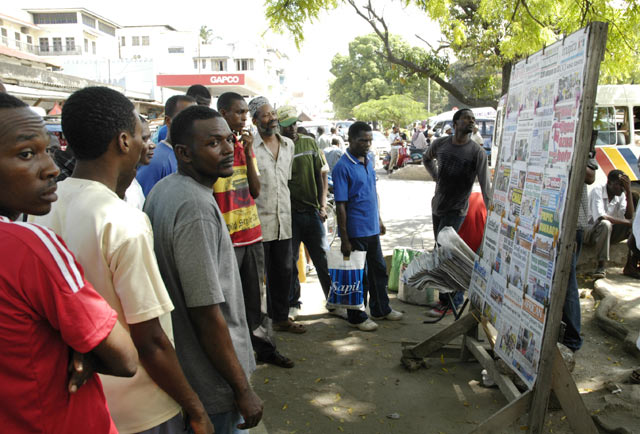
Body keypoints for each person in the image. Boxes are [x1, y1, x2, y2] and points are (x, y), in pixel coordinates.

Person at [33, 87, 213, 434]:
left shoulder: (42, 210)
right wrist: (195, 407)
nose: (146, 145)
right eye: (138, 134)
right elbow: (151, 340)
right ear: (122, 141)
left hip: (79, 403)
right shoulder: (122, 221)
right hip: (142, 409)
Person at [0, 91, 138, 434]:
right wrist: (84, 350)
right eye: (27, 154)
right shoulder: (28, 247)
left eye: (47, 150)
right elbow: (125, 357)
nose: (50, 168)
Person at [144, 105, 264, 433]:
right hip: (212, 382)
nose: (227, 149)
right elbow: (206, 313)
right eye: (213, 143)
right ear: (183, 152)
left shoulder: (169, 189)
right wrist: (242, 389)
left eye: (229, 140)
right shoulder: (194, 207)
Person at [214, 92, 294, 369]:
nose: (244, 118)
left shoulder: (244, 145)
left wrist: (247, 152)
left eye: (246, 113)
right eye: (239, 113)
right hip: (225, 238)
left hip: (251, 233)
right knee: (228, 303)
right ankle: (232, 356)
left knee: (256, 300)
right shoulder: (213, 147)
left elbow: (256, 189)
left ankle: (265, 348)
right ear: (223, 113)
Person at [332, 121, 404, 331]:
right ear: (351, 139)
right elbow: (341, 205)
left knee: (378, 270)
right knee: (357, 276)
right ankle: (357, 316)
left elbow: (371, 193)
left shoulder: (369, 160)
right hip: (355, 230)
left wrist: (379, 219)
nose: (367, 144)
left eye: (369, 140)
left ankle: (382, 309)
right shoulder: (342, 167)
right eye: (362, 140)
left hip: (371, 227)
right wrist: (345, 238)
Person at [422, 108, 491, 317]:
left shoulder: (477, 152)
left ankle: (450, 301)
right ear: (455, 123)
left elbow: (486, 186)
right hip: (438, 206)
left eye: (473, 119)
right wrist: (436, 176)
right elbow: (426, 158)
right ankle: (449, 299)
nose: (471, 122)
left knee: (445, 253)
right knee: (441, 252)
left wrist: (493, 214)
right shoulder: (441, 144)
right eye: (466, 119)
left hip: (457, 209)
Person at [249, 96, 306, 334]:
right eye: (265, 115)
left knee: (283, 272)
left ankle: (281, 318)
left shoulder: (288, 145)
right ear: (254, 120)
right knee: (257, 278)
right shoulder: (249, 147)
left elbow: (285, 182)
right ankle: (257, 323)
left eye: (272, 114)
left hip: (284, 220)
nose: (272, 119)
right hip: (259, 222)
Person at [276, 105, 335, 321]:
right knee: (290, 262)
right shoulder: (277, 147)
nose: (292, 128)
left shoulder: (309, 143)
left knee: (323, 259)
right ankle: (294, 304)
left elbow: (322, 176)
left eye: (294, 123)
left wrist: (322, 206)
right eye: (286, 125)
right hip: (288, 215)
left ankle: (333, 299)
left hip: (312, 214)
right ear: (278, 127)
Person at [562, 158, 597, 352]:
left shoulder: (579, 139)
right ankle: (565, 332)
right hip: (553, 224)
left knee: (567, 283)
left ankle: (572, 339)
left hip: (572, 225)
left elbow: (590, 176)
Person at [137, 94, 196, 196]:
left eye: (195, 118)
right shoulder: (155, 160)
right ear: (168, 121)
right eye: (185, 118)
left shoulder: (188, 156)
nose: (193, 123)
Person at [584, 169, 634, 279]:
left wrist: (628, 191)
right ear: (609, 183)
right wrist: (627, 222)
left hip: (608, 233)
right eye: (619, 185)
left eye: (623, 185)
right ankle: (601, 266)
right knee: (605, 224)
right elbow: (601, 216)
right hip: (590, 231)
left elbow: (629, 216)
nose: (622, 188)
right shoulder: (597, 190)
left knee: (634, 228)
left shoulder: (620, 195)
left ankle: (631, 266)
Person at [125, 115, 155, 209]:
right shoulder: (129, 193)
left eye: (150, 138)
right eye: (144, 139)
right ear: (124, 141)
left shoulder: (133, 185)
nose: (152, 145)